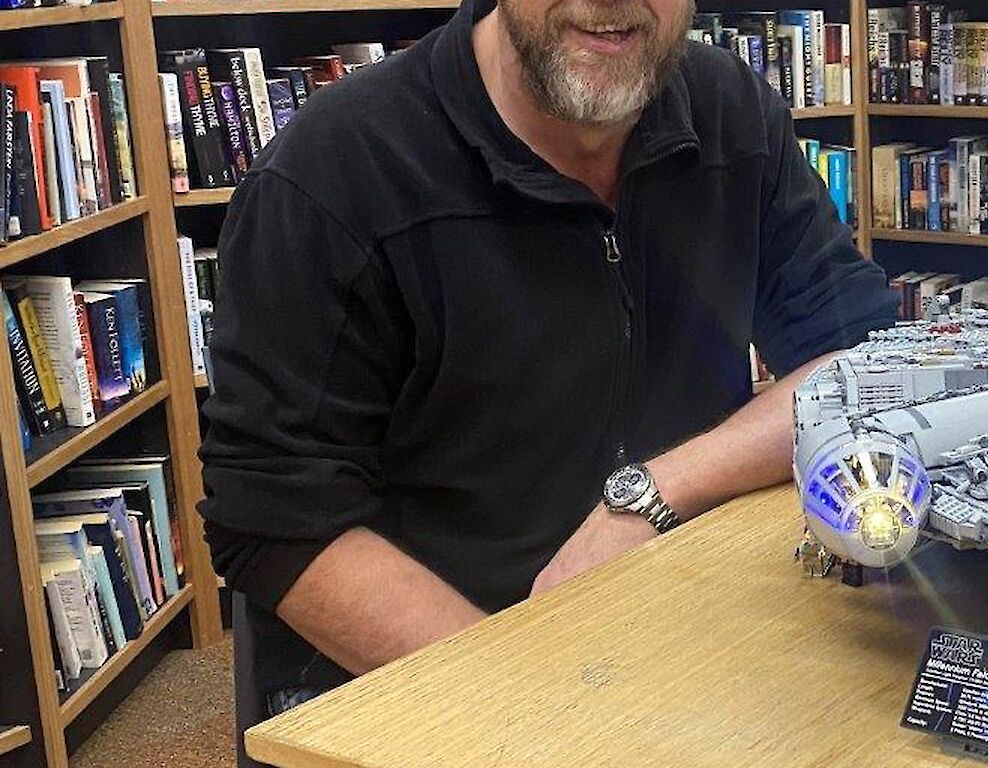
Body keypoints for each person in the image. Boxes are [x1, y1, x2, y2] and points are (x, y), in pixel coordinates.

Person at [198, 0, 898, 727]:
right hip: (436, 667)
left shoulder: (733, 111)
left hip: (671, 623)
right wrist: (536, 695)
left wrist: (651, 497)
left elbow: (859, 358)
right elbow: (274, 520)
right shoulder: (332, 172)